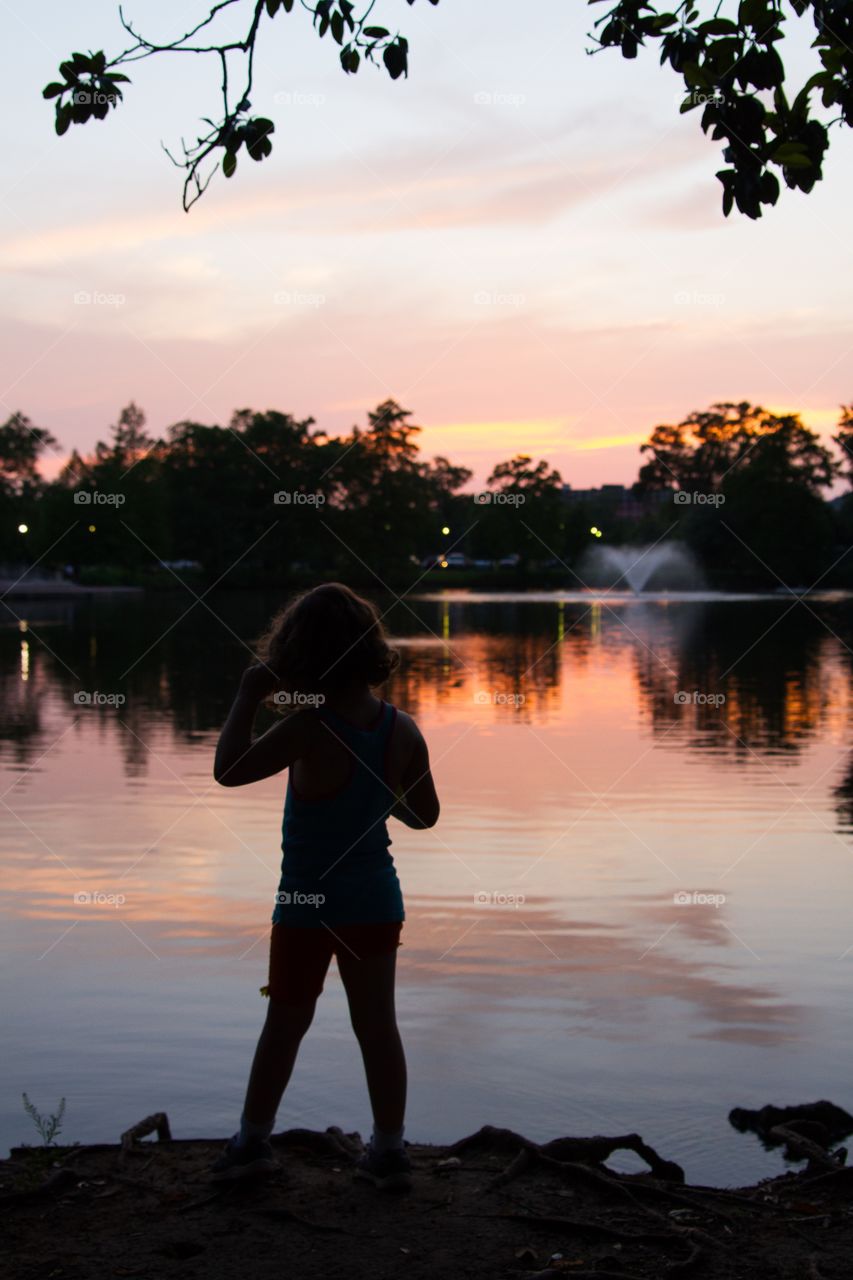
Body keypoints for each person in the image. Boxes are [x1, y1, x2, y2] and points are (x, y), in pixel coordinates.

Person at [209, 583, 440, 1190]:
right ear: (369, 651)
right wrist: (373, 791)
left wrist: (245, 697)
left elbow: (229, 771)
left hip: (307, 906)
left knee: (285, 1021)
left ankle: (252, 1143)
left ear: (299, 655)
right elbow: (424, 816)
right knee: (378, 1026)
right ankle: (389, 1152)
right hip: (374, 900)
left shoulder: (309, 728)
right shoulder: (404, 729)